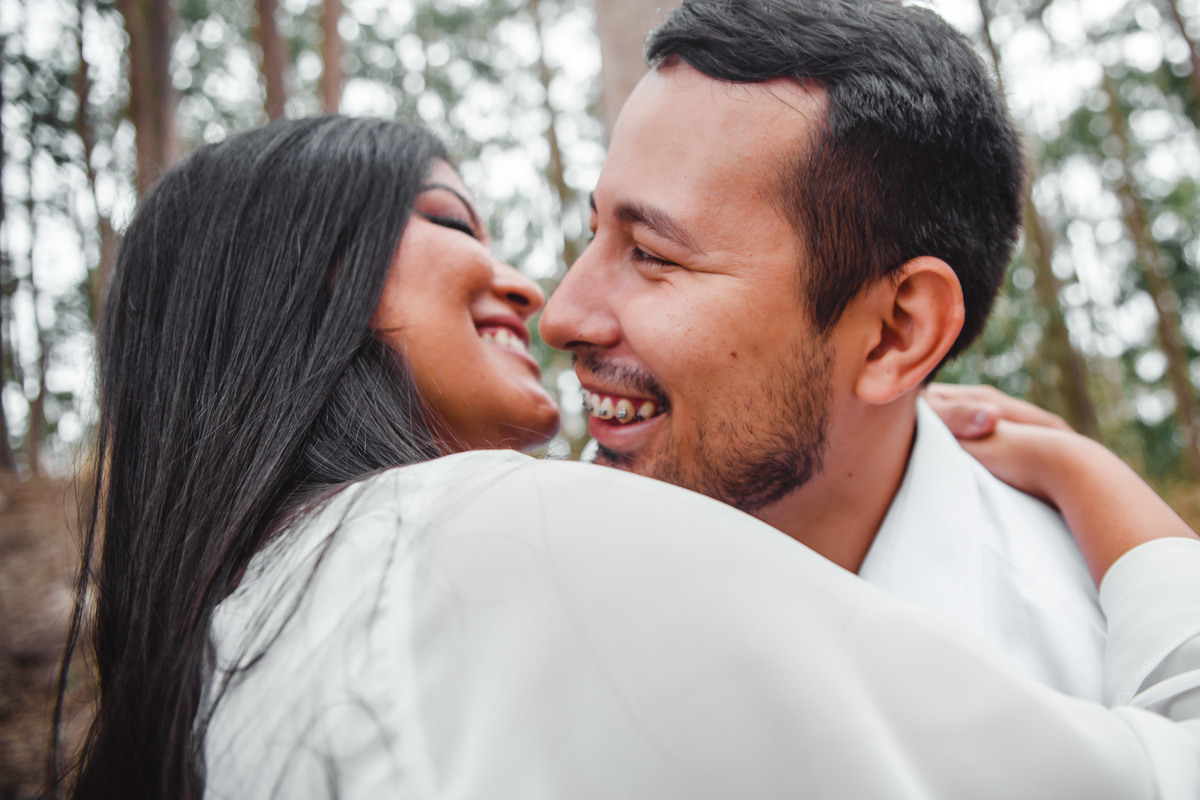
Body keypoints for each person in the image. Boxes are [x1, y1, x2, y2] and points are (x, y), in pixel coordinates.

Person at [54, 115, 1200, 800]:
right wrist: (1096, 478)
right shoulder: (497, 541)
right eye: (452, 220)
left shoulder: (234, 656)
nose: (540, 297)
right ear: (287, 280)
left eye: (651, 251)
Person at [539, 0, 1106, 699]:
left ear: (896, 334)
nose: (560, 316)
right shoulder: (529, 593)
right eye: (593, 231)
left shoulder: (1094, 677)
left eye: (653, 254)